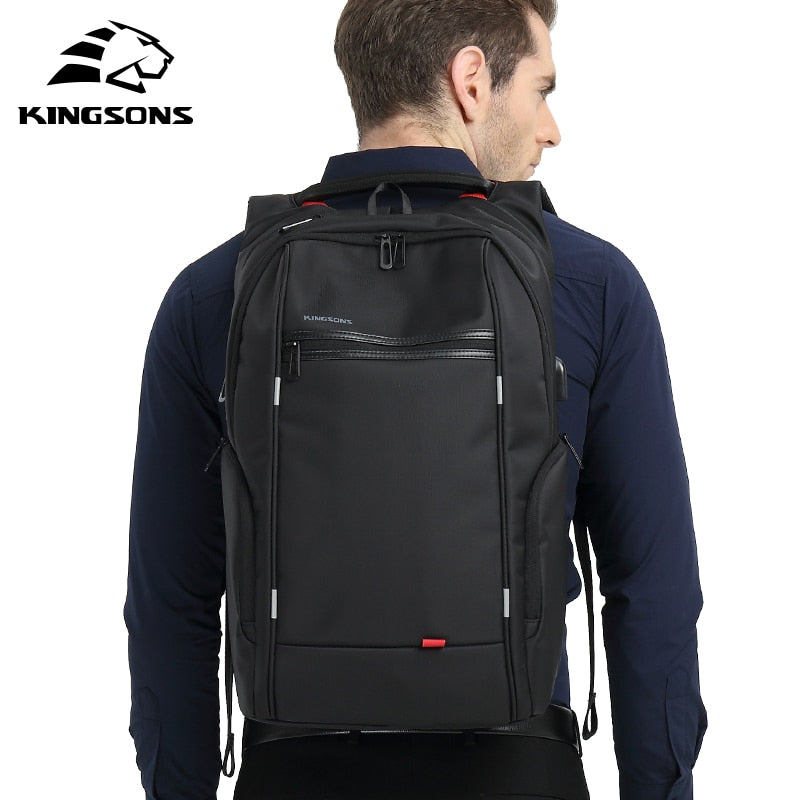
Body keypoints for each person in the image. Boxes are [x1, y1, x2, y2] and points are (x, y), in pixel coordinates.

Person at [125, 1, 706, 798]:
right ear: (471, 81)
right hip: (518, 769)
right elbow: (652, 590)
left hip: (293, 768)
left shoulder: (214, 292)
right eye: (540, 91)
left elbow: (171, 607)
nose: (551, 130)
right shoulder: (590, 284)